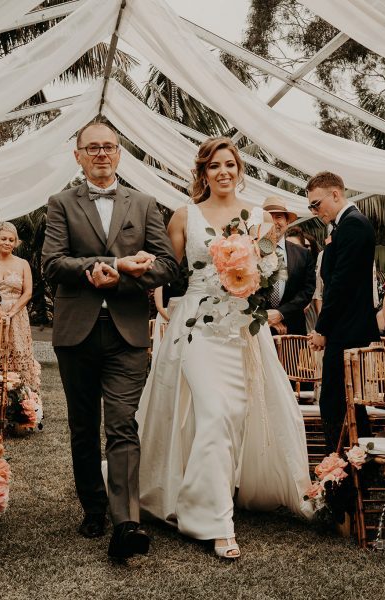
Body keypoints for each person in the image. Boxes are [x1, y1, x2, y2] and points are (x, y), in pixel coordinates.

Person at [136, 137, 311, 560]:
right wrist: (148, 287)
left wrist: (255, 279)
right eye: (214, 166)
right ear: (203, 172)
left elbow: (272, 277)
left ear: (240, 169)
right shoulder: (184, 217)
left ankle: (208, 491)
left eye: (230, 164)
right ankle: (213, 521)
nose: (223, 172)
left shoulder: (259, 219)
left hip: (242, 330)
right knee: (214, 411)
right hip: (196, 326)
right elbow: (165, 269)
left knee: (232, 414)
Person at [42, 121, 179, 560]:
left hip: (127, 331)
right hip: (76, 331)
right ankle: (94, 507)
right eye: (93, 148)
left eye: (109, 147)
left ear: (119, 153)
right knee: (83, 426)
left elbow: (167, 267)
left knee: (121, 423)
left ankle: (126, 523)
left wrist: (130, 273)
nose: (102, 154)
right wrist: (113, 264)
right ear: (78, 155)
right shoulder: (61, 202)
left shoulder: (143, 203)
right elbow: (52, 263)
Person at [306, 172, 380, 452]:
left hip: (348, 329)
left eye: (316, 204)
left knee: (335, 403)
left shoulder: (353, 226)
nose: (314, 211)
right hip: (346, 327)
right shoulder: (344, 227)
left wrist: (322, 328)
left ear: (335, 194)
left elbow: (340, 285)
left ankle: (339, 470)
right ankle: (356, 467)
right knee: (348, 404)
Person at [0, 222, 41, 392]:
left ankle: (23, 395)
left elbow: (27, 292)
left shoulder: (22, 263)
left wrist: (12, 312)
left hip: (17, 314)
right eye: (4, 238)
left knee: (18, 352)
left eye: (11, 240)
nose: (8, 243)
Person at [262, 197, 316, 336]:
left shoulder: (303, 254)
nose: (274, 222)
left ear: (287, 221)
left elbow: (307, 290)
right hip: (260, 328)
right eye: (269, 217)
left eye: (278, 217)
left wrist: (281, 313)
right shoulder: (250, 250)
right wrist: (265, 316)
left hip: (293, 328)